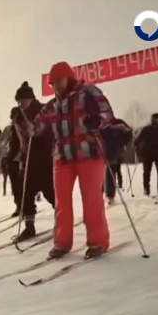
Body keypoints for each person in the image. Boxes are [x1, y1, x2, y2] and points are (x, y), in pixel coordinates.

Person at [16, 62, 114, 259]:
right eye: (53, 83)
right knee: (61, 203)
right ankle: (62, 242)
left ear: (69, 77)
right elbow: (36, 128)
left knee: (92, 201)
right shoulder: (52, 106)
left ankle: (97, 242)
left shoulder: (88, 93)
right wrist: (21, 122)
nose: (57, 86)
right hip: (63, 157)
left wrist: (98, 120)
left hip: (89, 153)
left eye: (59, 80)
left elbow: (107, 113)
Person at [12, 82, 55, 242]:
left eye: (23, 101)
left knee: (50, 192)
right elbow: (24, 140)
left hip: (45, 157)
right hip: (29, 159)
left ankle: (63, 220)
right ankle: (29, 227)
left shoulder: (42, 110)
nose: (21, 105)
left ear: (31, 99)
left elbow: (40, 130)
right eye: (18, 102)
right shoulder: (21, 115)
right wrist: (18, 124)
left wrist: (24, 124)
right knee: (24, 191)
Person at [134, 113, 158, 196]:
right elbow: (138, 140)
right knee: (147, 172)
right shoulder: (147, 129)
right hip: (148, 153)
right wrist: (137, 146)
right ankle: (147, 188)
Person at [100, 119, 132, 205]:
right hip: (100, 151)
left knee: (111, 173)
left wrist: (123, 143)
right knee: (100, 174)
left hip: (114, 151)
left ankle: (110, 196)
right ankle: (100, 194)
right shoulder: (100, 122)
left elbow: (129, 132)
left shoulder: (119, 123)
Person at [3, 108, 23, 217]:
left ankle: (24, 205)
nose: (13, 119)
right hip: (11, 160)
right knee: (14, 186)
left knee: (21, 185)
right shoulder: (11, 129)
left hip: (19, 159)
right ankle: (18, 206)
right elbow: (7, 142)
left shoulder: (23, 127)